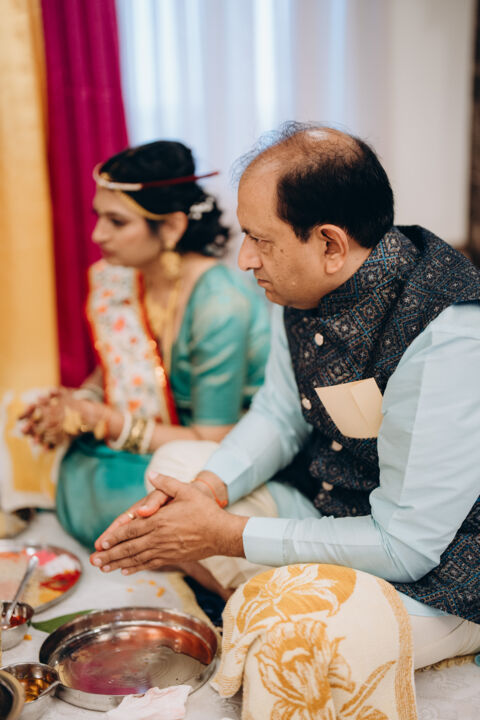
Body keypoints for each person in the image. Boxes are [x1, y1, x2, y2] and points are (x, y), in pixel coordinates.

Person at [90, 123, 480, 716]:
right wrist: (204, 495)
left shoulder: (447, 333)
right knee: (178, 471)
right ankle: (282, 597)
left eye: (259, 239)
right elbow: (279, 412)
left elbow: (407, 546)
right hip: (335, 507)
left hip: (444, 574)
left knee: (285, 637)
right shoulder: (302, 286)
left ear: (330, 245)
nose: (244, 259)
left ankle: (285, 609)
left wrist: (224, 535)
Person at [20, 140, 270, 549]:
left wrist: (103, 421)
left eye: (117, 222)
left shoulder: (219, 304)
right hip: (154, 432)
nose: (98, 234)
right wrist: (79, 403)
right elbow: (118, 365)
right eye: (98, 217)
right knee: (23, 418)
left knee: (130, 495)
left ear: (170, 227)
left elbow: (214, 437)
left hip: (213, 448)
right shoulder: (127, 276)